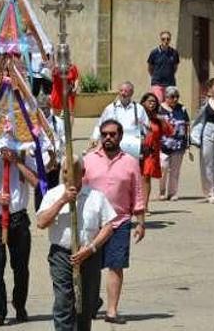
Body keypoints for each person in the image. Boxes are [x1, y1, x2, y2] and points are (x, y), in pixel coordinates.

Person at [82, 119, 146, 325]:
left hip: (120, 222)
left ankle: (112, 311)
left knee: (115, 266)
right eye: (105, 134)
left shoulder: (130, 161)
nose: (108, 138)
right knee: (90, 268)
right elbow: (78, 188)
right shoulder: (88, 159)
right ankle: (91, 302)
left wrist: (140, 221)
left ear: (120, 136)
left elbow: (137, 192)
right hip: (93, 223)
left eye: (113, 134)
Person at [37, 172, 117, 331]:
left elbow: (108, 226)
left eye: (74, 170)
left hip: (89, 254)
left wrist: (91, 248)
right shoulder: (53, 194)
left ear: (82, 173)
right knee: (63, 302)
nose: (69, 175)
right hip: (61, 255)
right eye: (65, 171)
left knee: (86, 304)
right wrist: (62, 201)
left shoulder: (95, 196)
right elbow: (41, 222)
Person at [0, 147, 38, 327]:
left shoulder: (26, 159)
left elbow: (37, 183)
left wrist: (17, 162)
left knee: (21, 267)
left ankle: (20, 305)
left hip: (18, 217)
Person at [90, 82, 148, 160]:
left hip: (133, 147)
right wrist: (94, 138)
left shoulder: (139, 109)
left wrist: (145, 140)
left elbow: (146, 128)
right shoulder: (110, 108)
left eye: (126, 91)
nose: (123, 93)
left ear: (131, 93)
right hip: (114, 144)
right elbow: (100, 125)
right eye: (121, 91)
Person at [137, 92, 172, 213]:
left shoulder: (157, 118)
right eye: (149, 101)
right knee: (135, 177)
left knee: (146, 177)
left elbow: (169, 132)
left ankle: (144, 206)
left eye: (154, 102)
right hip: (136, 150)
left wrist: (161, 121)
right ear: (143, 103)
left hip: (151, 152)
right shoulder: (136, 116)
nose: (152, 104)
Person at [158, 86, 191, 201]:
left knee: (175, 170)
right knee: (163, 167)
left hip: (179, 143)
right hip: (163, 144)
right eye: (172, 97)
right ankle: (162, 190)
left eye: (177, 96)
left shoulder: (182, 109)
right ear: (166, 97)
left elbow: (187, 124)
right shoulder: (159, 109)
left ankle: (172, 193)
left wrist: (188, 142)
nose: (175, 99)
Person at [146, 30, 179, 102]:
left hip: (170, 83)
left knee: (170, 103)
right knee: (159, 102)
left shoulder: (174, 53)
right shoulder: (154, 52)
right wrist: (156, 75)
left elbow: (175, 67)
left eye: (168, 39)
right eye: (163, 39)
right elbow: (150, 68)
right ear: (160, 39)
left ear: (170, 40)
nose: (166, 41)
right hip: (157, 83)